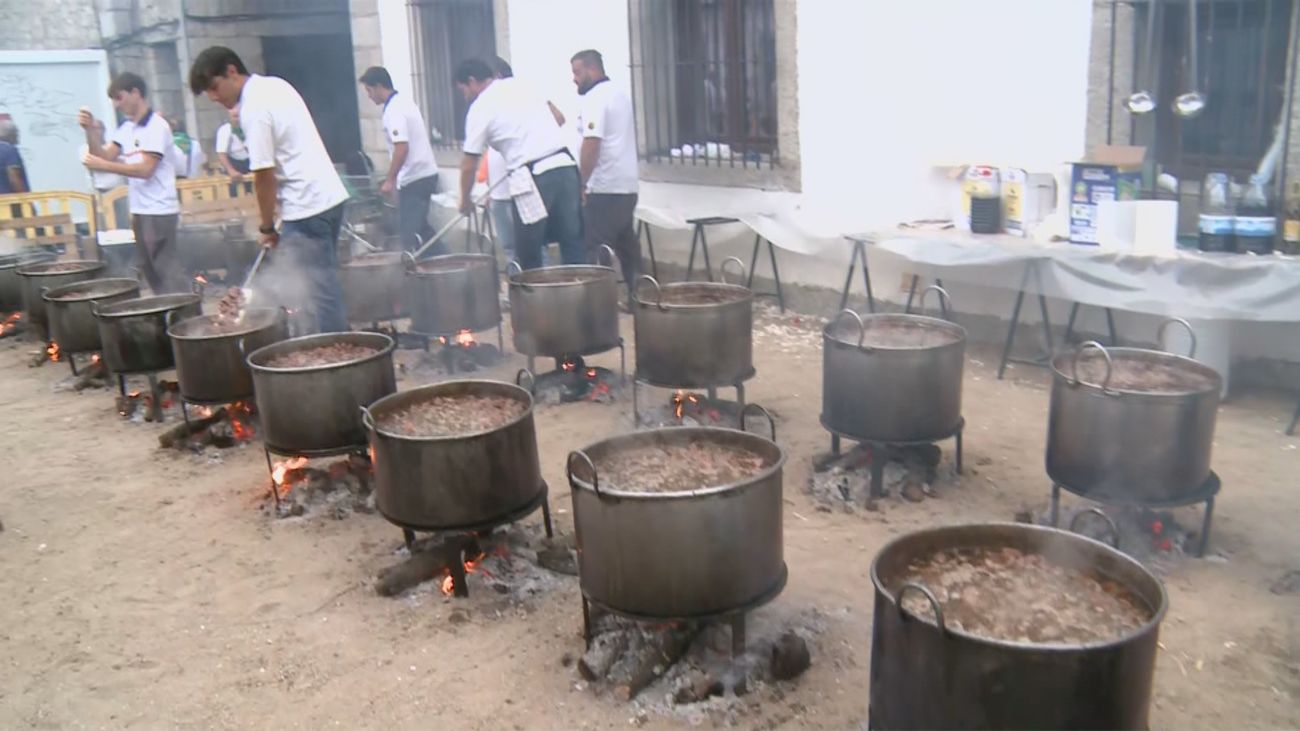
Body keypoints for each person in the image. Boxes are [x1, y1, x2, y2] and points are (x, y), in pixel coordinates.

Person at [189, 46, 350, 334]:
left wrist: (266, 227)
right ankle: (325, 345)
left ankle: (336, 357)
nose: (214, 97)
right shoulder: (276, 85)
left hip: (307, 206)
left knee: (317, 292)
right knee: (320, 285)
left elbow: (263, 174)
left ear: (231, 71)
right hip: (329, 198)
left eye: (214, 87)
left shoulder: (254, 109)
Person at [455, 58, 583, 270]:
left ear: (471, 81)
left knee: (529, 252)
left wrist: (464, 200)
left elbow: (469, 164)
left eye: (464, 91)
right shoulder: (523, 85)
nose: (465, 97)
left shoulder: (480, 107)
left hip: (533, 178)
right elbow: (559, 118)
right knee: (573, 244)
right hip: (565, 166)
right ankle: (583, 300)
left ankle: (536, 302)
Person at [79, 73, 187, 294]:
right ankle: (166, 314)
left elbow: (146, 169)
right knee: (150, 270)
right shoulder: (126, 128)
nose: (117, 105)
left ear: (136, 93)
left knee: (166, 269)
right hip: (139, 209)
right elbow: (103, 154)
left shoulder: (157, 126)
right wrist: (90, 130)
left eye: (120, 98)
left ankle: (185, 316)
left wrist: (103, 165)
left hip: (160, 209)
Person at [571, 49, 640, 300]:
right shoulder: (620, 94)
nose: (574, 79)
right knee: (626, 244)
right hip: (627, 184)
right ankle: (639, 297)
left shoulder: (595, 98)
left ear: (591, 69)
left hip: (605, 186)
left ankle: (600, 303)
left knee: (597, 247)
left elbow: (592, 144)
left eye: (577, 72)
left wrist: (581, 182)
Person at [358, 66, 439, 253]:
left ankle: (443, 267)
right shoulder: (403, 102)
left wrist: (390, 180)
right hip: (422, 174)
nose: (369, 96)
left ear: (379, 86)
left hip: (416, 177)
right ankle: (446, 266)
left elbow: (401, 148)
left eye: (369, 91)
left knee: (410, 232)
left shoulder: (394, 109)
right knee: (421, 229)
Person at [214, 107, 252, 196]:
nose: (237, 119)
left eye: (238, 116)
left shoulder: (250, 127)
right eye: (234, 116)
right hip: (234, 163)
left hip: (250, 162)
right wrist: (231, 171)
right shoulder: (225, 130)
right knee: (235, 192)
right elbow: (221, 153)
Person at [0, 118, 29, 194]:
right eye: (17, 133)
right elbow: (14, 178)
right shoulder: (10, 150)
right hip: (11, 202)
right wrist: (26, 202)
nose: (18, 136)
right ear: (11, 135)